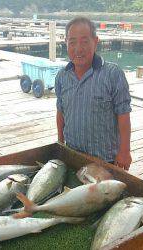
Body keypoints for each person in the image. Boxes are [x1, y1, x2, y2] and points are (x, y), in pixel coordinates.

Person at [55, 17, 132, 170]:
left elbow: (123, 115)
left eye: (84, 41)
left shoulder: (113, 74)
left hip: (106, 160)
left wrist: (125, 151)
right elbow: (60, 111)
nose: (78, 48)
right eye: (72, 42)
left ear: (95, 41)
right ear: (66, 43)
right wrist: (60, 142)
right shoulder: (62, 76)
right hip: (72, 155)